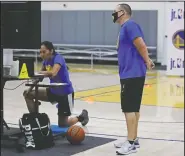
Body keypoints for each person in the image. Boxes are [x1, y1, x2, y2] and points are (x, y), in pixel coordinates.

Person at [112, 3, 155, 155]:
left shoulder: (130, 25)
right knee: (133, 108)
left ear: (122, 12)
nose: (113, 14)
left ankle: (130, 143)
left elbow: (141, 45)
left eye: (115, 12)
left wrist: (147, 60)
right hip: (130, 73)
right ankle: (133, 139)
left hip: (132, 73)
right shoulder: (125, 27)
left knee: (129, 109)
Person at [23, 41, 89, 127]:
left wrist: (40, 72)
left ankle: (81, 117)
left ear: (51, 51)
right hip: (53, 91)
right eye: (40, 52)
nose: (41, 55)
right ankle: (36, 120)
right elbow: (39, 78)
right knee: (27, 94)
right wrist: (29, 90)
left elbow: (53, 73)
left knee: (63, 124)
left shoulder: (58, 58)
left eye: (44, 52)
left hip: (65, 94)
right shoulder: (45, 62)